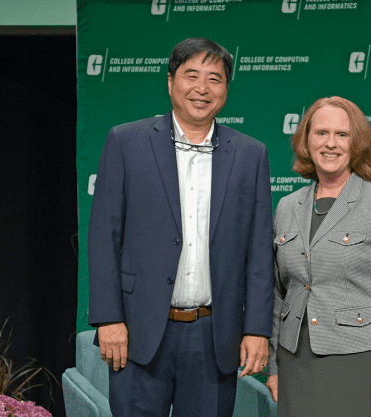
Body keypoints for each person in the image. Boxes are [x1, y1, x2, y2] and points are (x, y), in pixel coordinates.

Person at [88, 37, 274, 417]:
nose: (202, 88)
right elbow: (104, 236)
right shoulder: (126, 141)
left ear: (226, 88)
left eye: (215, 79)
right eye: (191, 75)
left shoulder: (250, 154)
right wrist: (109, 318)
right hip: (138, 332)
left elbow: (258, 251)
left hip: (213, 335)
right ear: (170, 82)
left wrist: (257, 329)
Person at [265, 96, 371, 416]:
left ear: (358, 143)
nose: (330, 144)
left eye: (342, 135)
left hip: (363, 362)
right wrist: (273, 365)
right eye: (321, 133)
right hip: (296, 362)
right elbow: (277, 294)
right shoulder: (286, 207)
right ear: (305, 140)